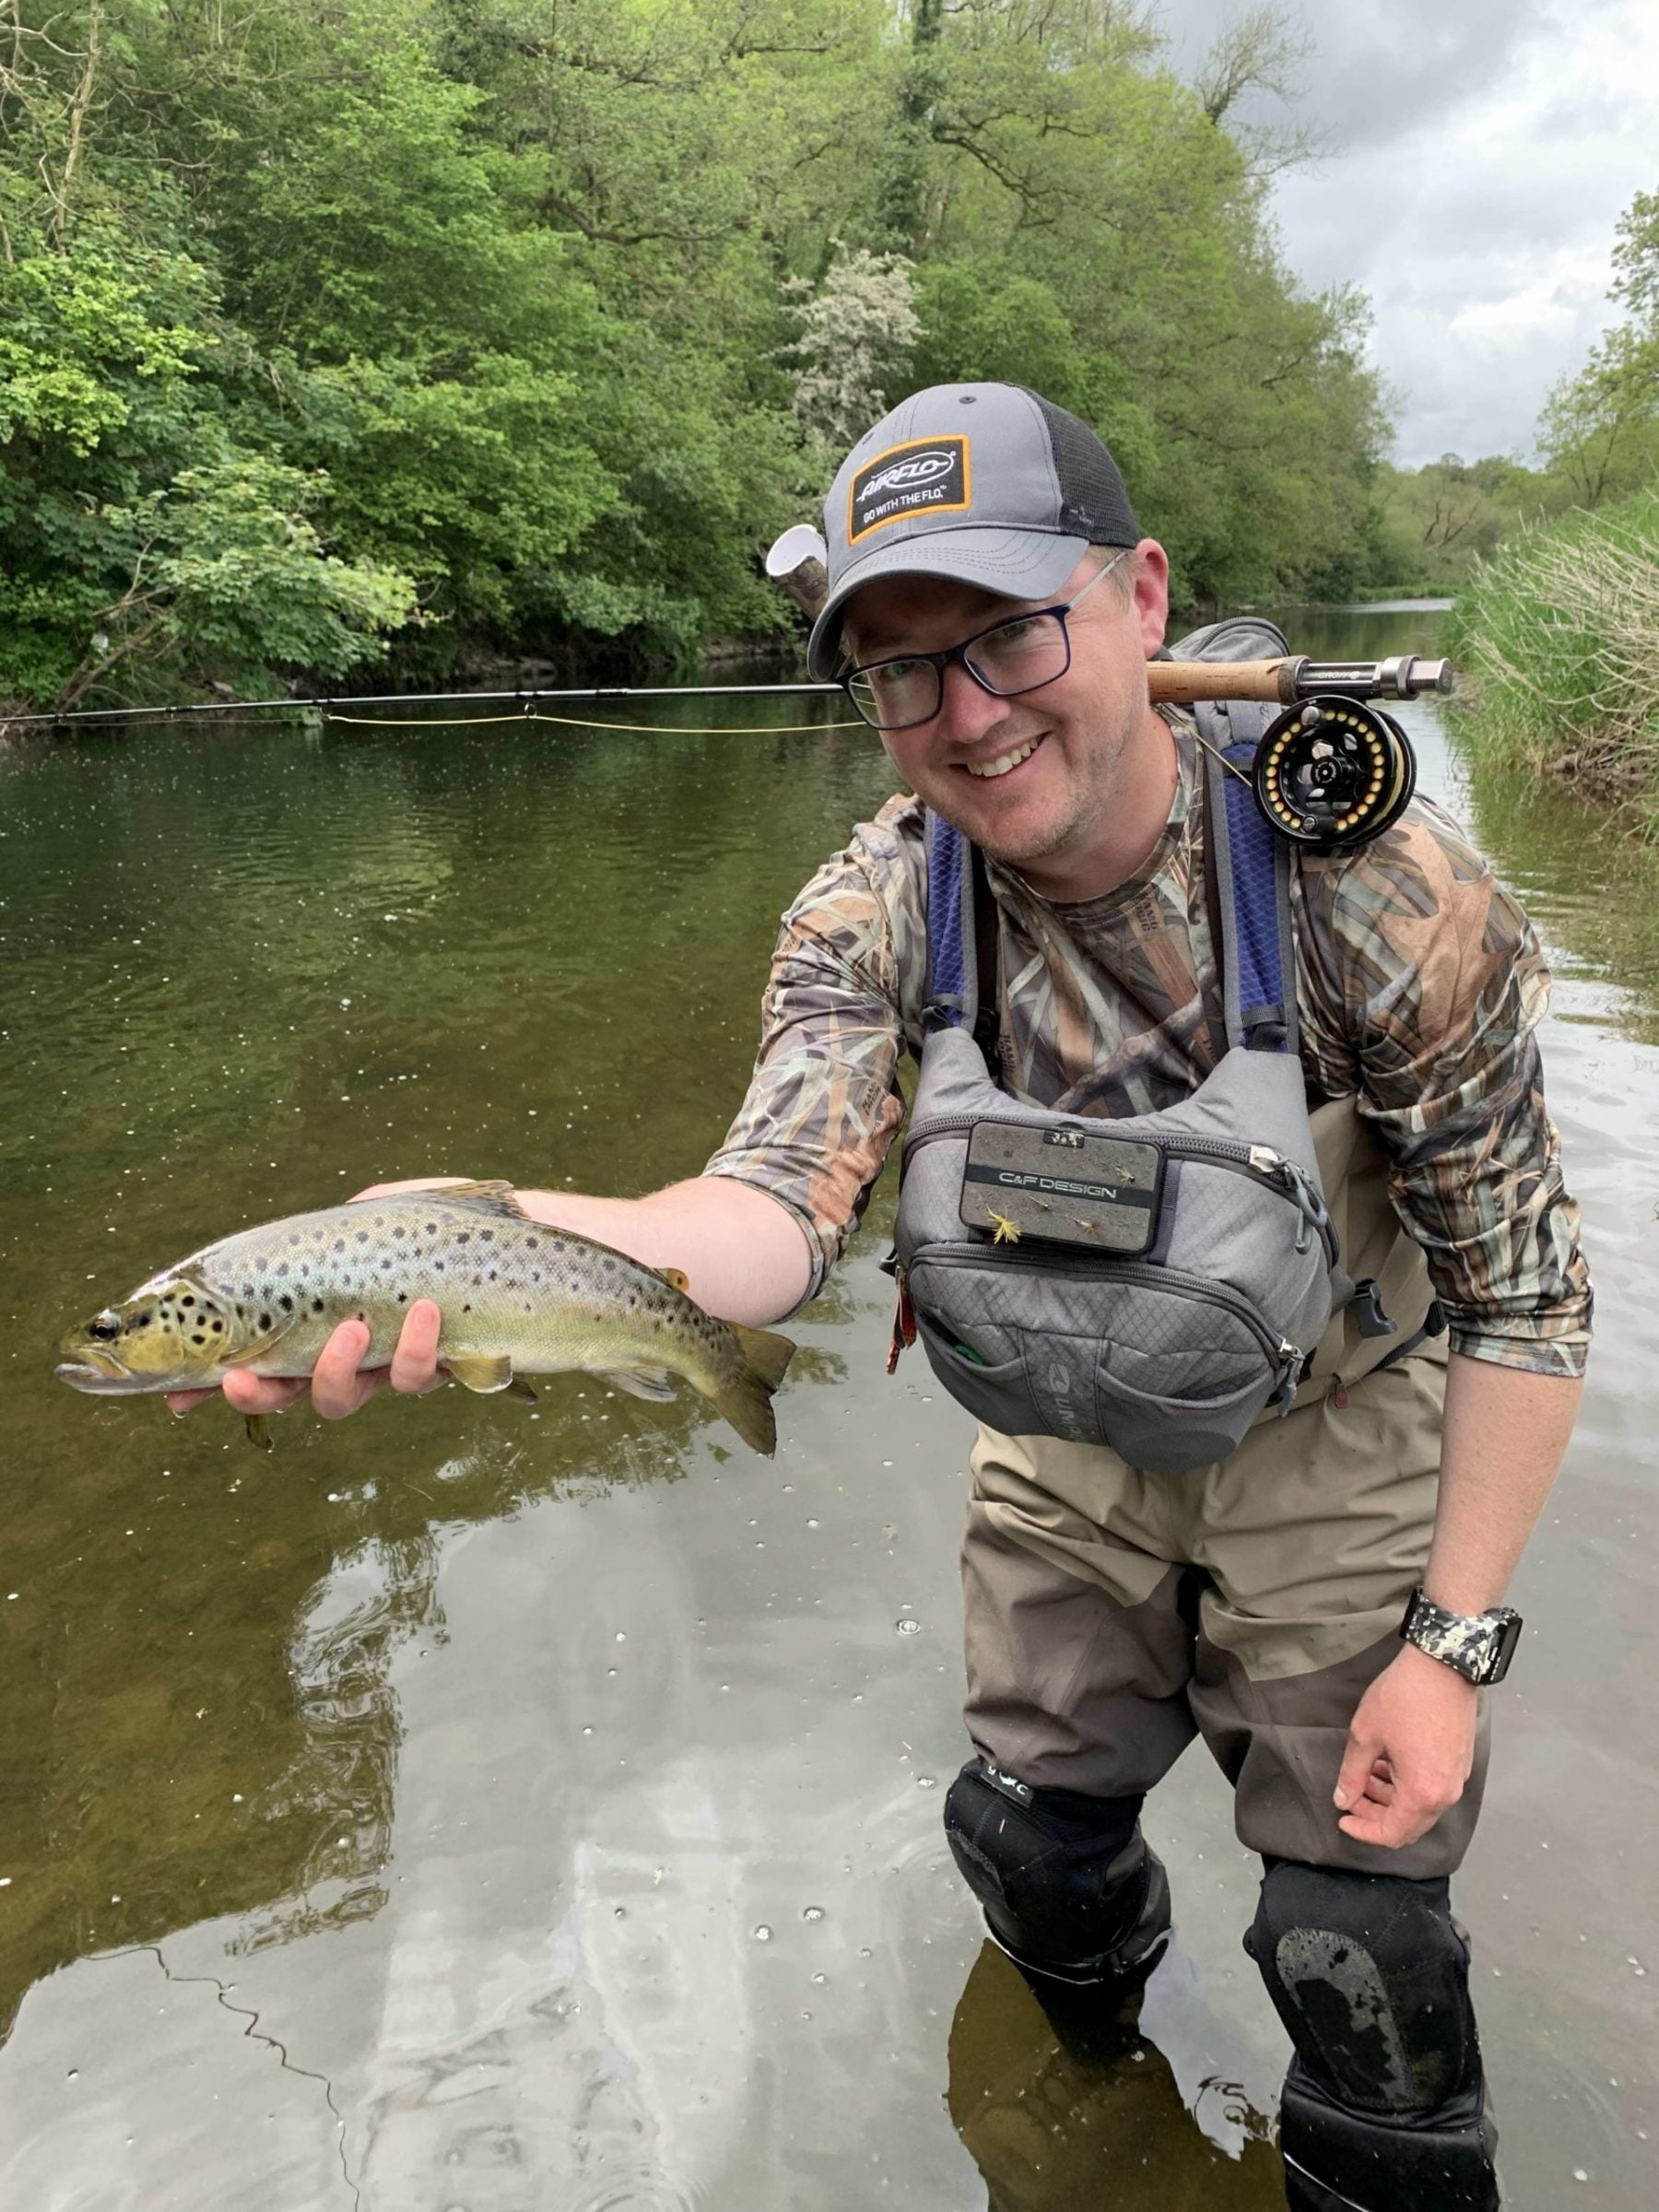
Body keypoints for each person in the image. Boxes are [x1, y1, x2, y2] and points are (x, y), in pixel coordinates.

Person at [176, 384, 1590, 2210]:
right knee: (1029, 1850)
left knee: (1360, 1951)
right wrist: (495, 1226)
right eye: (904, 673)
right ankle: (1094, 2112)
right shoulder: (874, 905)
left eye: (1007, 634)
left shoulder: (1377, 893)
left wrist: (1454, 1642)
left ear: (1138, 597)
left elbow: (1527, 1292)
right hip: (1064, 1439)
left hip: (1342, 1438)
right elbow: (768, 1216)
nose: (969, 719)